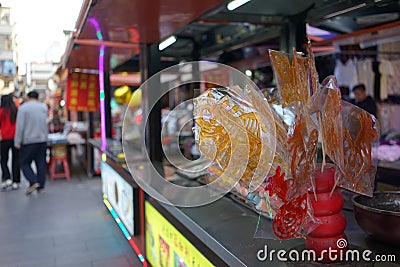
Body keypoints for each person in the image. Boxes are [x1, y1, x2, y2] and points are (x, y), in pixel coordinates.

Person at [14, 91, 48, 195]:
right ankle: (41, 186)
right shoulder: (43, 108)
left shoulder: (23, 108)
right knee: (41, 162)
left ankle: (33, 181)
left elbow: (20, 126)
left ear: (28, 97)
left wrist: (17, 141)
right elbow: (45, 123)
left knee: (24, 162)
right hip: (42, 139)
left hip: (28, 140)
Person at [0, 94, 20, 190]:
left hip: (4, 138)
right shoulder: (16, 111)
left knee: (3, 159)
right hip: (15, 138)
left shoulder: (1, 112)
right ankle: (16, 181)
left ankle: (7, 177)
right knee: (16, 160)